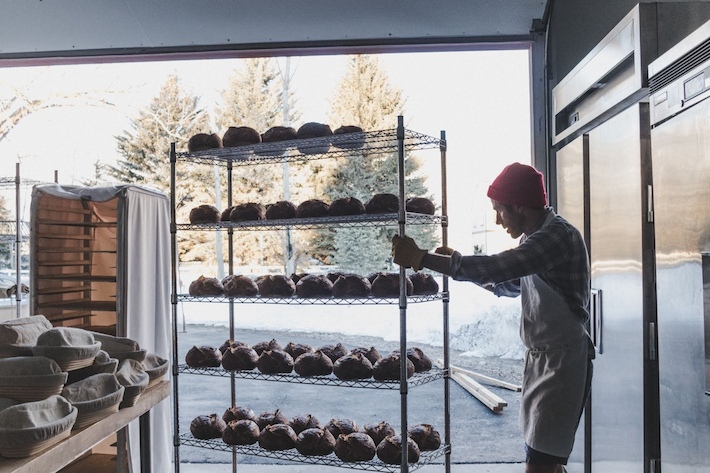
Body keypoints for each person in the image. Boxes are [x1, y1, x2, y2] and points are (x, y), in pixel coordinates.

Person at [392, 162, 592, 473]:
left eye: (499, 210)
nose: (497, 221)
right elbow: (504, 283)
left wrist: (424, 259)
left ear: (519, 206)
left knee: (539, 465)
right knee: (547, 464)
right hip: (545, 361)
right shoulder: (534, 239)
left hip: (562, 364)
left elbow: (501, 266)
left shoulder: (557, 237)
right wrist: (452, 264)